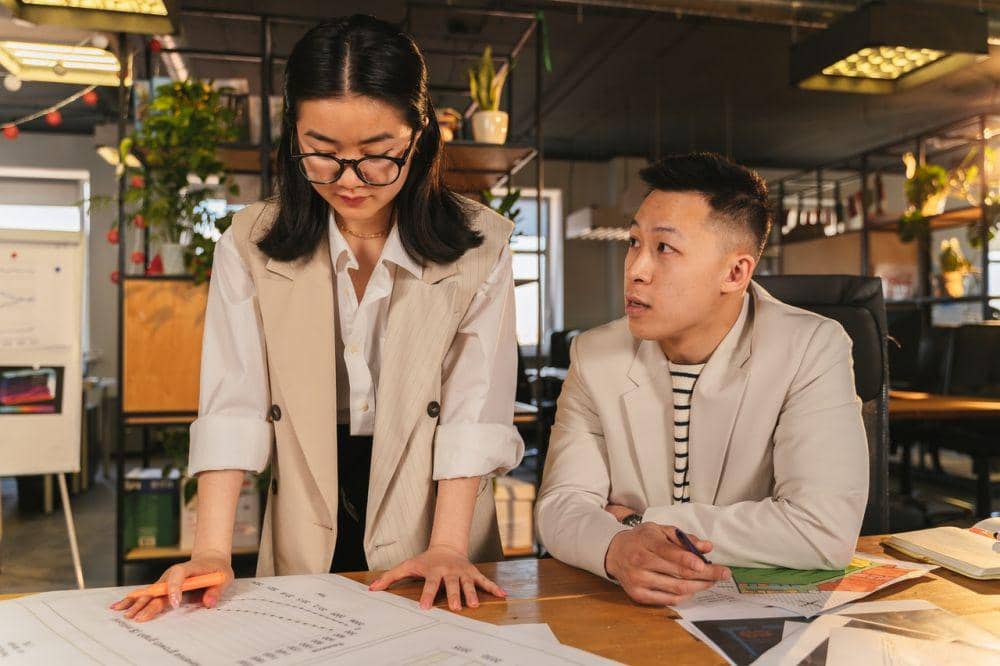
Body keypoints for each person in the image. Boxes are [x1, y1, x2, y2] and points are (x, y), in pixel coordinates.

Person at [113, 15, 523, 621]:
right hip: (307, 501)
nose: (350, 180)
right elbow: (234, 402)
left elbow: (473, 411)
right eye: (323, 154)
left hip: (437, 510)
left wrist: (446, 545)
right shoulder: (248, 242)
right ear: (292, 136)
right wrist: (211, 548)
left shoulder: (479, 243)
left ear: (420, 134)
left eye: (379, 156)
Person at [535, 152, 869, 606]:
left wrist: (637, 524)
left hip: (762, 613)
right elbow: (560, 506)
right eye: (634, 242)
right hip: (629, 611)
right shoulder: (595, 355)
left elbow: (822, 530)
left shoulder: (812, 347)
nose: (636, 269)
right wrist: (615, 549)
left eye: (664, 248)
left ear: (735, 272)